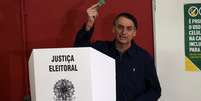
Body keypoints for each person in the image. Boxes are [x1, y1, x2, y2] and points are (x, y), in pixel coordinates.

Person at [74, 2, 161, 101]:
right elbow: (79, 53)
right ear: (113, 29)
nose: (124, 32)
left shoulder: (144, 58)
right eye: (120, 27)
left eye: (129, 29)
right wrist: (89, 25)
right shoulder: (101, 50)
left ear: (134, 33)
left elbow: (155, 90)